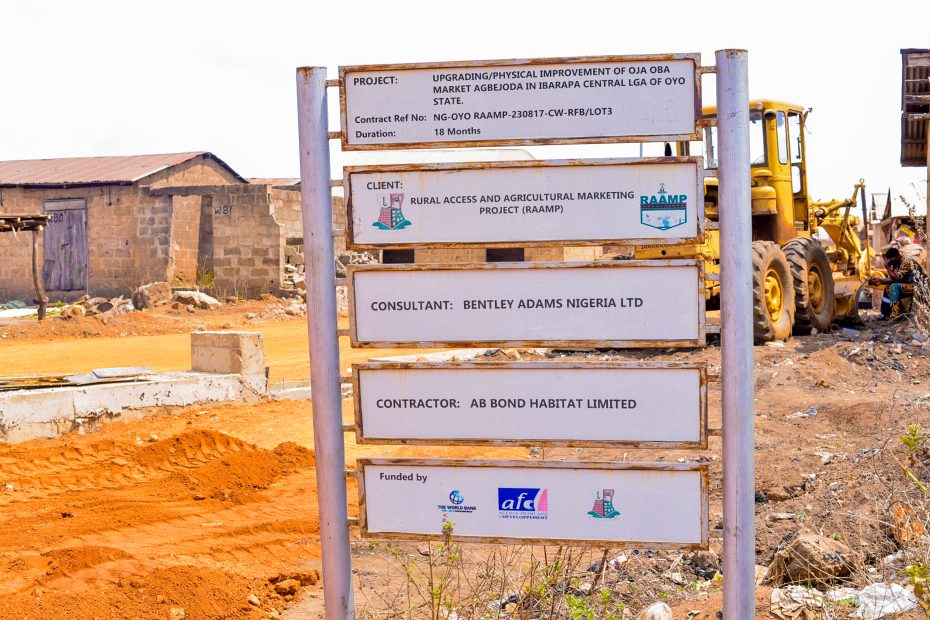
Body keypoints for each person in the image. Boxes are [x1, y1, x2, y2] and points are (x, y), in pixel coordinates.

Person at [869, 246, 926, 320]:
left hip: (919, 287)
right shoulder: (896, 263)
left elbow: (896, 279)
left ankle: (896, 316)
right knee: (888, 286)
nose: (889, 263)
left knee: (894, 287)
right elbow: (893, 278)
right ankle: (885, 313)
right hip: (909, 285)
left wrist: (887, 267)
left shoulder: (907, 262)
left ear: (895, 257)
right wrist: (880, 280)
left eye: (890, 261)